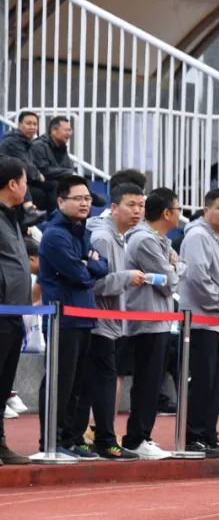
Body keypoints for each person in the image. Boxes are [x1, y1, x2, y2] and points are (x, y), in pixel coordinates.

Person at [71, 183, 147, 461]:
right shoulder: (103, 238)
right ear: (114, 207)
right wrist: (127, 277)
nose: (137, 211)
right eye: (131, 205)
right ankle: (101, 439)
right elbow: (94, 283)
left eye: (141, 205)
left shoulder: (118, 236)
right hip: (97, 322)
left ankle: (89, 438)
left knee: (93, 383)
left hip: (108, 322)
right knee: (97, 383)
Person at [37, 175, 109, 457]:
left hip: (84, 317)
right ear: (60, 202)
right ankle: (51, 441)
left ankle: (70, 439)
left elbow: (103, 266)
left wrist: (88, 264)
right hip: (62, 320)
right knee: (60, 382)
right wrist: (88, 264)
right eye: (78, 198)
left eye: (87, 198)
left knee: (78, 385)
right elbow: (80, 275)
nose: (84, 203)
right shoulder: (55, 235)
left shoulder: (83, 232)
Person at [121, 187, 183, 458]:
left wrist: (173, 268)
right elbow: (170, 281)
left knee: (152, 381)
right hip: (146, 319)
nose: (180, 214)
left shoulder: (159, 240)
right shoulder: (145, 240)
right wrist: (175, 268)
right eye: (178, 209)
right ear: (167, 213)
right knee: (147, 382)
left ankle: (142, 435)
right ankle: (136, 438)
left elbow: (171, 273)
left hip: (158, 319)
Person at [179, 189, 219, 457]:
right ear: (206, 210)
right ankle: (194, 436)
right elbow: (197, 277)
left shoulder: (215, 237)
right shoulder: (198, 236)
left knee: (214, 385)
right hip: (203, 322)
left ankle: (209, 435)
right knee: (202, 382)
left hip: (216, 323)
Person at [0, 158, 33, 465]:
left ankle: (0, 442)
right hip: (1, 310)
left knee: (4, 384)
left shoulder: (11, 216)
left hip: (12, 313)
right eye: (25, 182)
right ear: (12, 184)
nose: (27, 188)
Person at [0, 112, 45, 223]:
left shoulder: (26, 142)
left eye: (35, 124)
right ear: (19, 125)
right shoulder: (12, 141)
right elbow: (25, 165)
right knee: (21, 176)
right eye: (28, 123)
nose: (32, 127)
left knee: (53, 185)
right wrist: (38, 175)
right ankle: (29, 210)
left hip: (16, 176)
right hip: (6, 178)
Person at [29, 116, 76, 212]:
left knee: (76, 184)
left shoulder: (62, 147)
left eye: (70, 130)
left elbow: (68, 168)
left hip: (53, 181)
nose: (69, 133)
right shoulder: (38, 145)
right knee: (57, 185)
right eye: (66, 130)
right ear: (54, 131)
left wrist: (69, 174)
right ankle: (55, 216)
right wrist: (68, 173)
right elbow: (44, 170)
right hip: (37, 182)